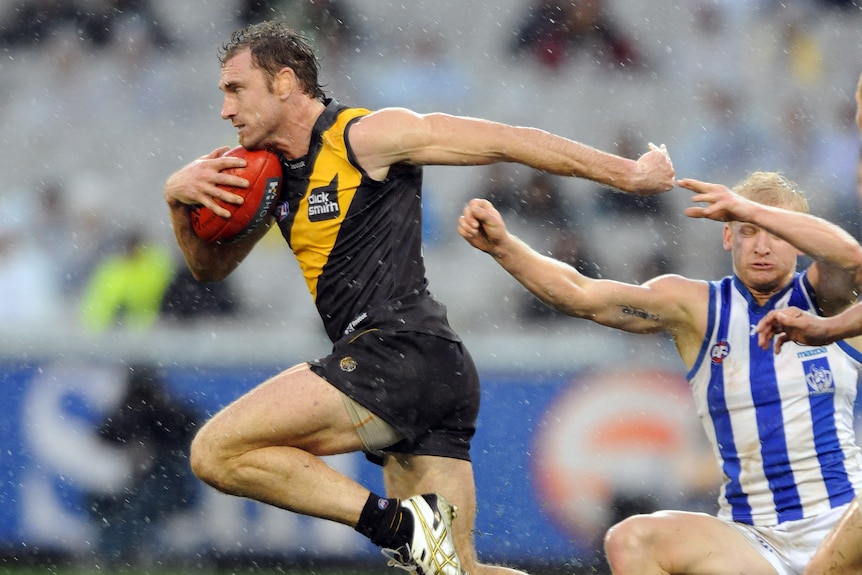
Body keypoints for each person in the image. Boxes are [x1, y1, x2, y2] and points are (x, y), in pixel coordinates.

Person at [162, 20, 674, 575]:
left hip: (397, 354)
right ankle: (411, 530)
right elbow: (210, 269)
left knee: (215, 452)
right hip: (432, 370)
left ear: (284, 83)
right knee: (456, 571)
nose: (225, 109)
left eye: (235, 90)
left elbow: (506, 140)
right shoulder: (274, 177)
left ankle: (398, 524)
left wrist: (628, 174)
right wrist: (176, 204)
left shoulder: (365, 137)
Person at [458, 171, 862, 575]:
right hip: (753, 539)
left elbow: (850, 257)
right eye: (748, 230)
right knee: (630, 539)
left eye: (775, 231)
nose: (762, 246)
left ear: (799, 240)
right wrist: (505, 248)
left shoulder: (830, 302)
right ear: (727, 237)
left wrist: (747, 208)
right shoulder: (696, 307)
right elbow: (581, 294)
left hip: (844, 524)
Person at [753, 72, 862, 575]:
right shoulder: (703, 305)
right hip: (766, 528)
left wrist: (823, 330)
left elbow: (848, 259)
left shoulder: (824, 292)